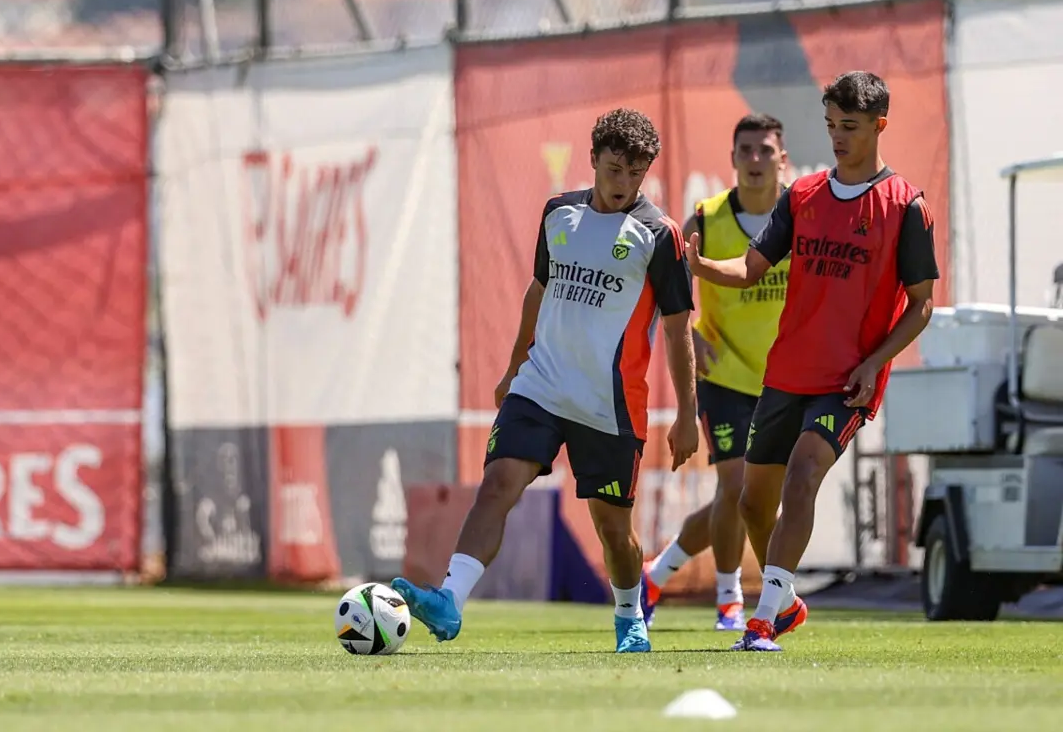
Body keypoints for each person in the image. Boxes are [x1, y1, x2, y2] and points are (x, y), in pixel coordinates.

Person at [391, 108, 700, 654]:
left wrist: (687, 415)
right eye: (614, 169)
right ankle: (449, 600)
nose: (623, 183)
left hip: (608, 405)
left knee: (613, 531)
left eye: (635, 173)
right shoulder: (559, 213)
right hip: (540, 387)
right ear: (593, 160)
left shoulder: (659, 235)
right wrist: (514, 368)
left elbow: (678, 329)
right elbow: (539, 290)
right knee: (497, 485)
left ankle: (629, 615)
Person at [686, 71, 939, 652]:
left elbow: (921, 304)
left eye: (849, 126)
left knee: (803, 475)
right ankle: (788, 602)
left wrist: (875, 363)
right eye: (830, 125)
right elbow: (751, 268)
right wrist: (703, 268)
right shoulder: (801, 195)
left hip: (846, 381)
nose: (837, 137)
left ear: (879, 125)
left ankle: (760, 621)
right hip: (786, 374)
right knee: (753, 504)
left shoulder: (905, 206)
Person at [640, 114, 790, 633]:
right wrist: (691, 333)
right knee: (736, 486)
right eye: (746, 150)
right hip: (723, 375)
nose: (755, 160)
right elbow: (663, 285)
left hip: (785, 380)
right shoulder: (705, 219)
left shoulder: (801, 215)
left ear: (782, 159)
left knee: (752, 499)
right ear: (732, 159)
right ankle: (731, 600)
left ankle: (656, 574)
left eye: (765, 150)